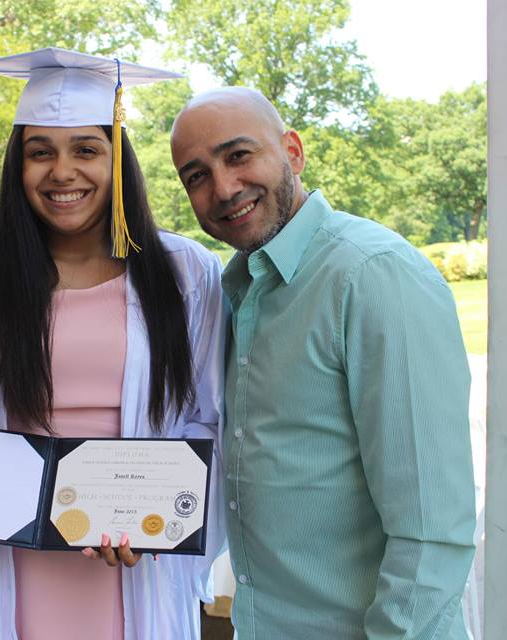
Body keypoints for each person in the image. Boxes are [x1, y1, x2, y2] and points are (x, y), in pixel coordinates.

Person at [0, 49, 226, 640]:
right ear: (19, 167)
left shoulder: (185, 272)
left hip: (134, 559)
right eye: (41, 152)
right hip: (9, 562)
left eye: (86, 150)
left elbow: (208, 419)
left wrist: (163, 526)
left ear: (119, 161)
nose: (62, 171)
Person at [169, 87, 476, 639]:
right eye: (196, 175)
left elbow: (432, 532)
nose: (223, 188)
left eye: (239, 156)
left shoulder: (373, 275)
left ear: (292, 151)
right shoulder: (235, 292)